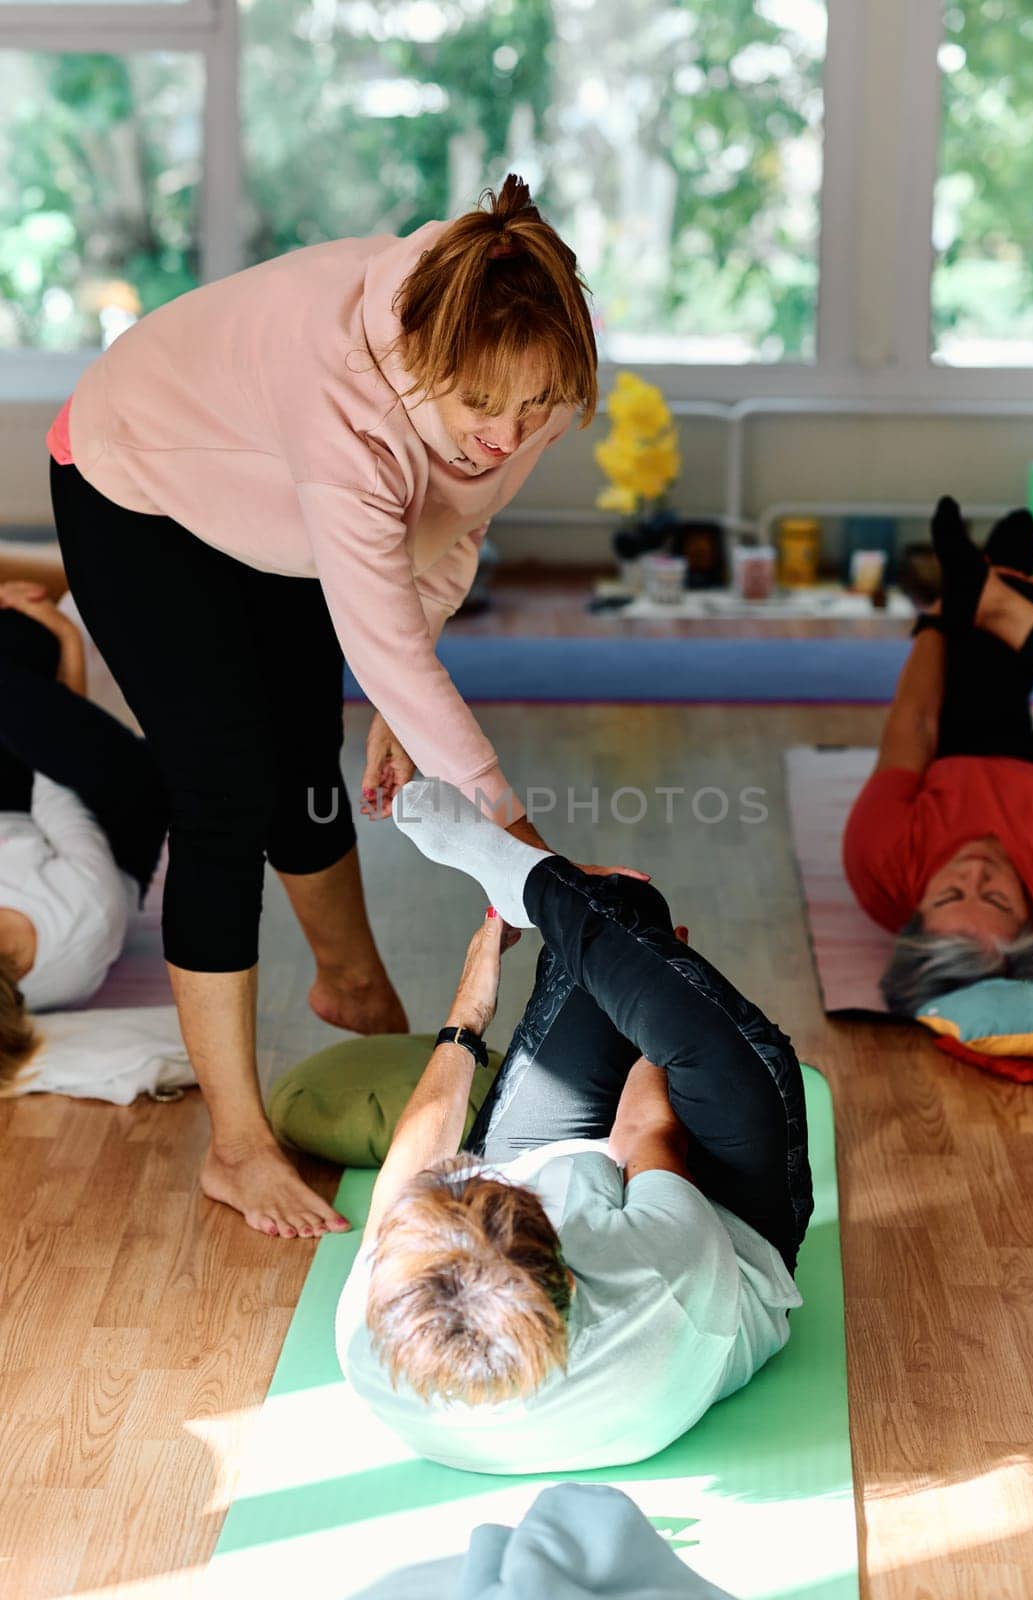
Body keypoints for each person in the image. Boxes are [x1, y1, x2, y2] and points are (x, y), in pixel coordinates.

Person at [45, 174, 645, 1239]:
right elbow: (383, 636)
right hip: (138, 476)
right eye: (479, 413)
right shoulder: (348, 401)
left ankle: (352, 986)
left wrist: (399, 686)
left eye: (533, 410)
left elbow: (452, 527)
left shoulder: (524, 370)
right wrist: (530, 863)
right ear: (422, 369)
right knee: (224, 792)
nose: (507, 437)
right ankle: (235, 1150)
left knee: (304, 756)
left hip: (269, 496)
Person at [334, 779, 812, 1475]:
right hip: (725, 1225)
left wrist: (467, 1012)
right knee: (703, 1029)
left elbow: (405, 1183)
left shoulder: (377, 1331)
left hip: (582, 1195)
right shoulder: (652, 1287)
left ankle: (545, 891)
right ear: (572, 1270)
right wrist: (657, 985)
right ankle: (537, 886)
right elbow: (647, 1133)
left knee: (620, 911)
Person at [844, 497, 1033, 1014]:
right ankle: (1000, 596)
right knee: (1015, 635)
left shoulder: (879, 860)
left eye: (949, 894)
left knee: (975, 658)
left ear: (914, 909)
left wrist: (940, 616)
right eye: (997, 899)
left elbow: (915, 723)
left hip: (960, 753)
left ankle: (988, 587)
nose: (975, 872)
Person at [0, 582, 169, 1014]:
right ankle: (70, 620)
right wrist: (68, 640)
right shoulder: (80, 916)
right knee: (24, 652)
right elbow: (63, 785)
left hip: (17, 817)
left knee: (16, 639)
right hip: (116, 829)